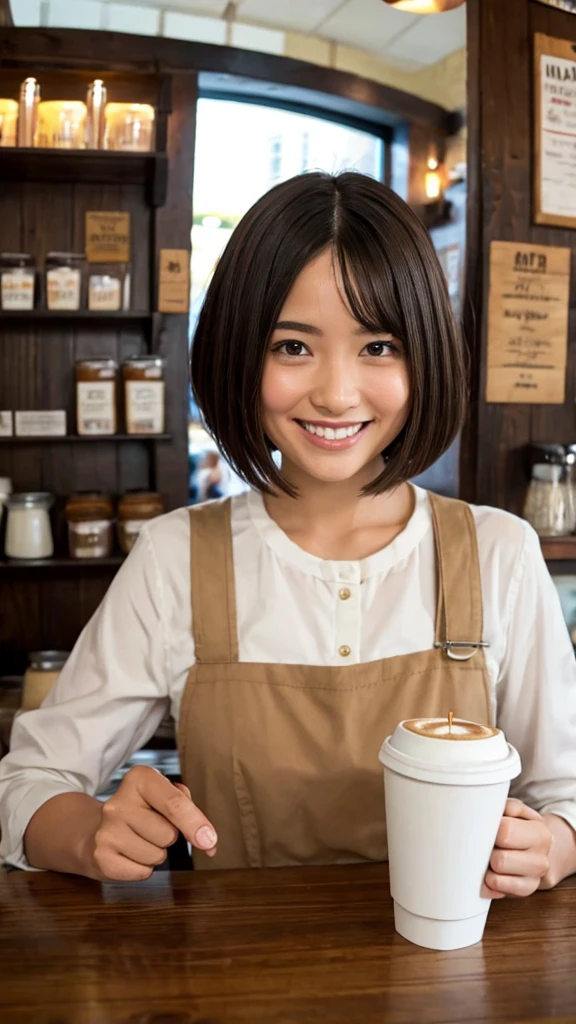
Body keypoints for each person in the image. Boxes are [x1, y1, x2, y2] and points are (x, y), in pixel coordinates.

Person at [1, 172, 575, 896]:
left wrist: (553, 842)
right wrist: (89, 833)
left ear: (427, 356)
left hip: (456, 978)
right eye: (292, 347)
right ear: (240, 354)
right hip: (236, 983)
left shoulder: (500, 551)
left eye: (379, 347)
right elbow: (28, 782)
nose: (336, 393)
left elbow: (567, 794)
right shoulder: (176, 557)